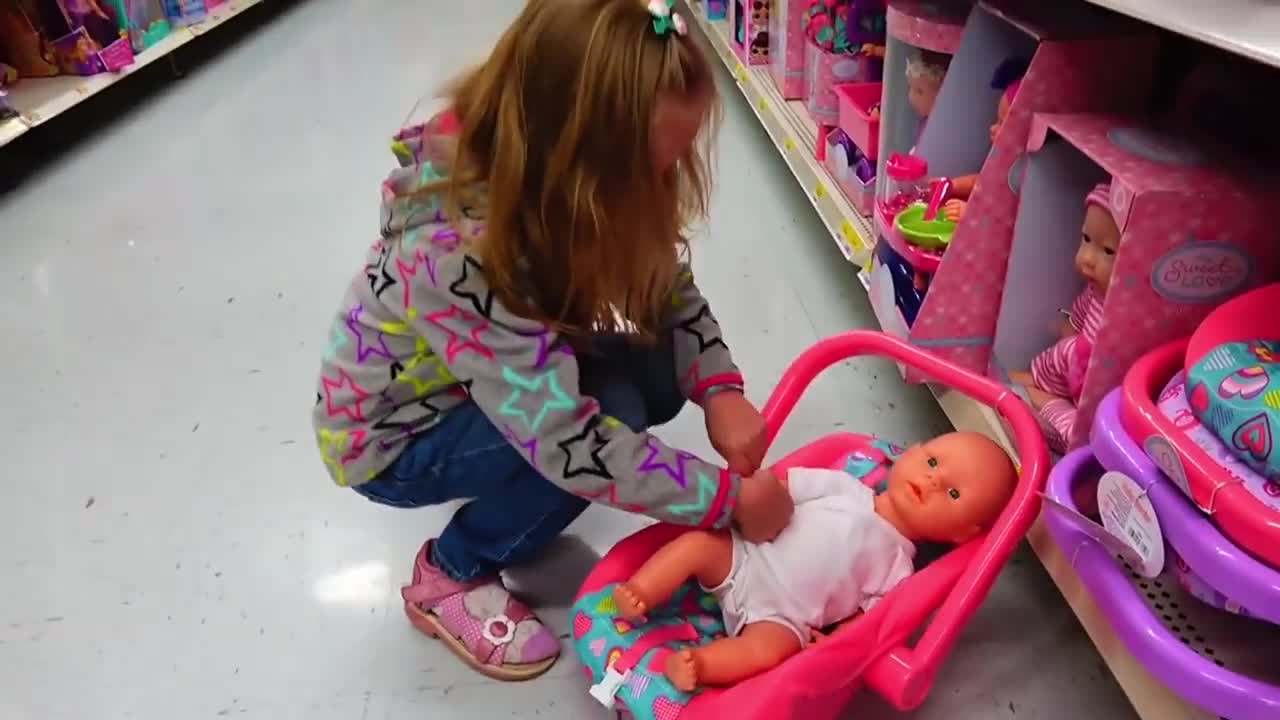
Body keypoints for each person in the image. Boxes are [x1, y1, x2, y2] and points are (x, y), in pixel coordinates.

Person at [311, 0, 791, 682]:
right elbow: (569, 443)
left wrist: (719, 387)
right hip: (393, 441)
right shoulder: (453, 251)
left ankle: (510, 486)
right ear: (576, 150)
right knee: (610, 418)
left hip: (492, 369)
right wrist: (727, 500)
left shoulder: (556, 175)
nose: (661, 184)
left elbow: (662, 278)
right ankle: (450, 570)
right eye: (649, 168)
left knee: (655, 372)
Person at [612, 432, 1017, 691]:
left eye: (953, 494)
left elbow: (872, 622)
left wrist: (842, 642)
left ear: (962, 535)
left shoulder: (900, 568)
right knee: (698, 545)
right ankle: (642, 590)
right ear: (912, 452)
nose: (933, 480)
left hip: (782, 617)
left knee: (771, 653)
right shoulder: (843, 486)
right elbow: (776, 489)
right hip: (748, 556)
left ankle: (699, 663)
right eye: (932, 462)